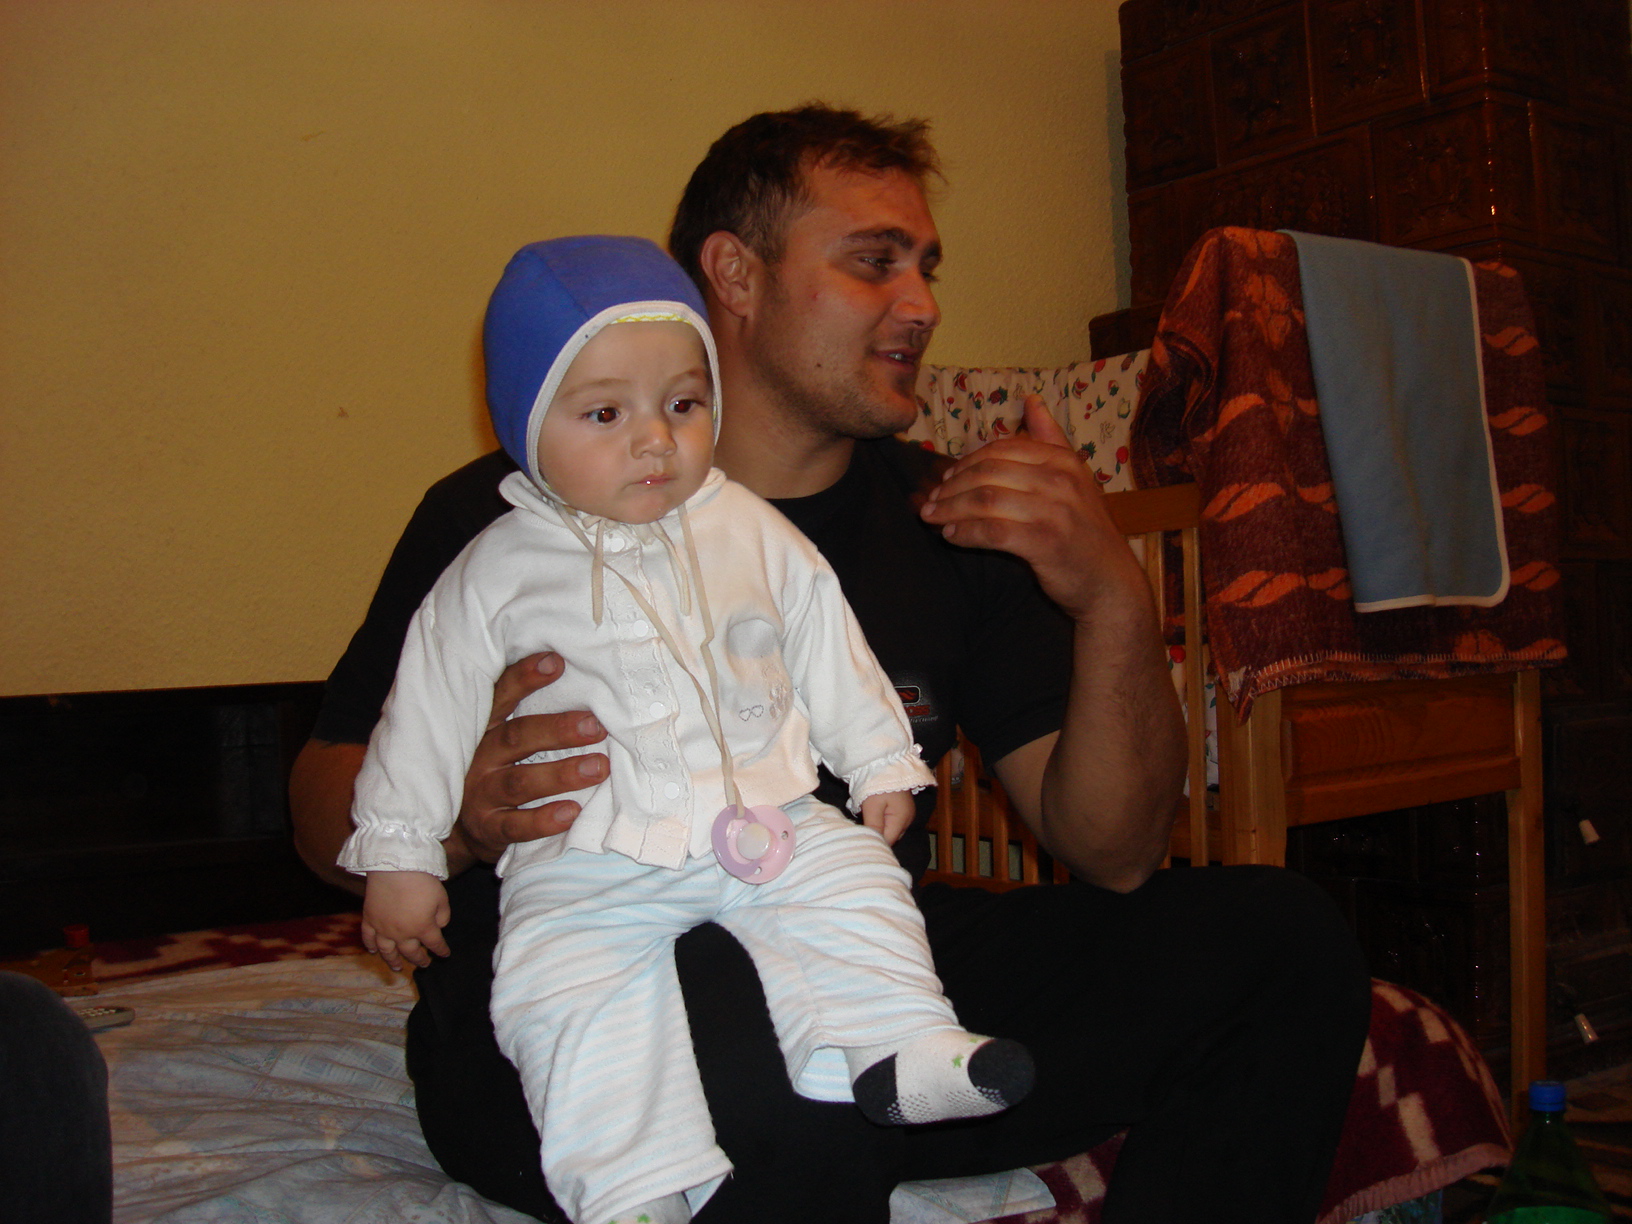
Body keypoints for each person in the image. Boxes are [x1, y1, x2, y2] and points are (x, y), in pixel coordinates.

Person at [291, 105, 1372, 1223]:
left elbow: (1118, 850)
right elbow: (320, 809)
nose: (924, 305)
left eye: (925, 267)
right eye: (874, 262)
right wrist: (456, 824)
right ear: (735, 276)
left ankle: (906, 1071)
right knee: (757, 1068)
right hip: (591, 977)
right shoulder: (509, 523)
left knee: (1281, 941)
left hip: (846, 951)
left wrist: (1111, 597)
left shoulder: (947, 513)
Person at [341, 235, 1033, 1224]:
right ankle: (632, 1188)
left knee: (857, 884)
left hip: (767, 823)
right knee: (565, 993)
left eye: (683, 404)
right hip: (588, 861)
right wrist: (404, 855)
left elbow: (822, 635)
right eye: (605, 414)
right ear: (526, 423)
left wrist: (879, 756)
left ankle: (901, 1048)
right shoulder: (492, 570)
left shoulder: (745, 525)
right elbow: (426, 709)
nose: (656, 442)